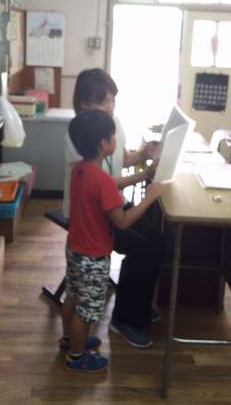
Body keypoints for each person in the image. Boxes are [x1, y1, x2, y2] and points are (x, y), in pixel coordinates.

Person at [63, 68, 165, 348]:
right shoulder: (80, 134)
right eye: (102, 101)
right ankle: (125, 319)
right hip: (91, 219)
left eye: (112, 100)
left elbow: (117, 162)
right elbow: (102, 184)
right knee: (144, 247)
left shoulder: (112, 123)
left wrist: (142, 156)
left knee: (156, 238)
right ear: (83, 103)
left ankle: (137, 304)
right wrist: (146, 187)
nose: (109, 107)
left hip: (108, 204)